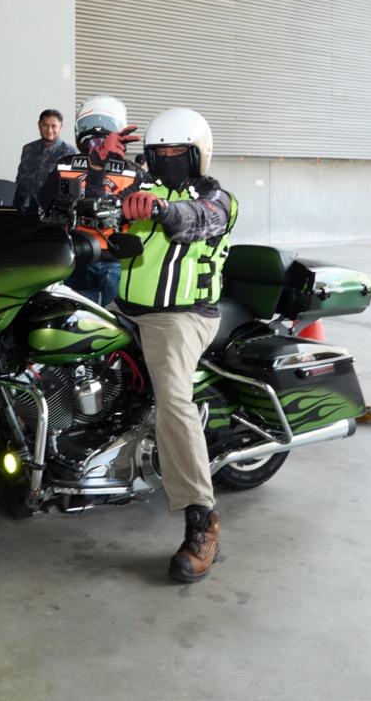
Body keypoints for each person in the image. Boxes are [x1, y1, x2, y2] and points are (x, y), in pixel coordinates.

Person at [116, 108, 237, 583]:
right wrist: (99, 163)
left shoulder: (218, 199)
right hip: (126, 309)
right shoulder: (138, 188)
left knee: (173, 400)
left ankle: (202, 518)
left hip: (182, 316)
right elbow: (91, 198)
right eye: (158, 152)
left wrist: (161, 210)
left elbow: (195, 219)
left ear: (197, 154)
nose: (165, 159)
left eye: (175, 152)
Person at [39, 95, 141, 306]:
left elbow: (43, 203)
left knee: (76, 315)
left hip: (82, 254)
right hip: (105, 257)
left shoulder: (66, 164)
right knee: (111, 318)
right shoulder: (132, 171)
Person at [13, 109, 75, 208]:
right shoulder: (28, 149)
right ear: (39, 125)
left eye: (54, 126)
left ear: (60, 127)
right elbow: (20, 181)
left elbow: (69, 189)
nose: (49, 130)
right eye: (45, 125)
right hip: (27, 208)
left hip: (53, 210)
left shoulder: (70, 152)